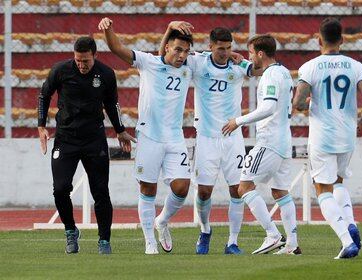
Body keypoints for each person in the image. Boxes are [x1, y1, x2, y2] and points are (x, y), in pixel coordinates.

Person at [159, 22, 259, 255]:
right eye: (220, 48)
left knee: (238, 190)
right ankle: (205, 230)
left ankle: (232, 242)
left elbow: (258, 69)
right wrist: (169, 30)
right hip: (206, 138)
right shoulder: (198, 62)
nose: (224, 53)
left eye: (228, 48)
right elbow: (164, 55)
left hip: (233, 138)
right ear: (210, 46)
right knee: (204, 192)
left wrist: (246, 60)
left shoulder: (237, 66)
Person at [98, 17, 194, 254]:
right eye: (178, 49)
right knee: (147, 189)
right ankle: (149, 240)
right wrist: (108, 30)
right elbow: (116, 48)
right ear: (168, 47)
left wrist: (234, 58)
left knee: (182, 187)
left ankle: (162, 221)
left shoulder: (189, 68)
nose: (182, 55)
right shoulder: (148, 62)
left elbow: (217, 58)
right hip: (149, 136)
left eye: (186, 51)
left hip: (174, 138)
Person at [38, 36, 135, 255]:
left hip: (94, 139)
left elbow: (112, 104)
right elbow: (44, 95)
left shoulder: (106, 74)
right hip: (66, 138)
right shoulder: (60, 70)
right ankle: (71, 230)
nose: (82, 66)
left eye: (86, 62)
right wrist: (41, 126)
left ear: (95, 56)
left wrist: (120, 130)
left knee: (100, 191)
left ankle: (104, 240)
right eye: (78, 61)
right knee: (60, 189)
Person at [293, 17, 362, 259]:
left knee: (322, 189)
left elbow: (297, 103)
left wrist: (308, 104)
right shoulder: (355, 66)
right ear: (342, 40)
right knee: (338, 182)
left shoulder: (310, 67)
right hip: (347, 134)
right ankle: (350, 222)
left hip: (322, 136)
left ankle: (346, 239)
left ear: (319, 40)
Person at [223, 34, 301, 255]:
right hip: (284, 140)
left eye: (250, 53)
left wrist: (238, 121)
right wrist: (244, 62)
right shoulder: (283, 72)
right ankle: (292, 244)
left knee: (244, 187)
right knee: (280, 192)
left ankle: (272, 235)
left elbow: (268, 108)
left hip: (270, 140)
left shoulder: (269, 76)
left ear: (260, 53)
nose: (249, 56)